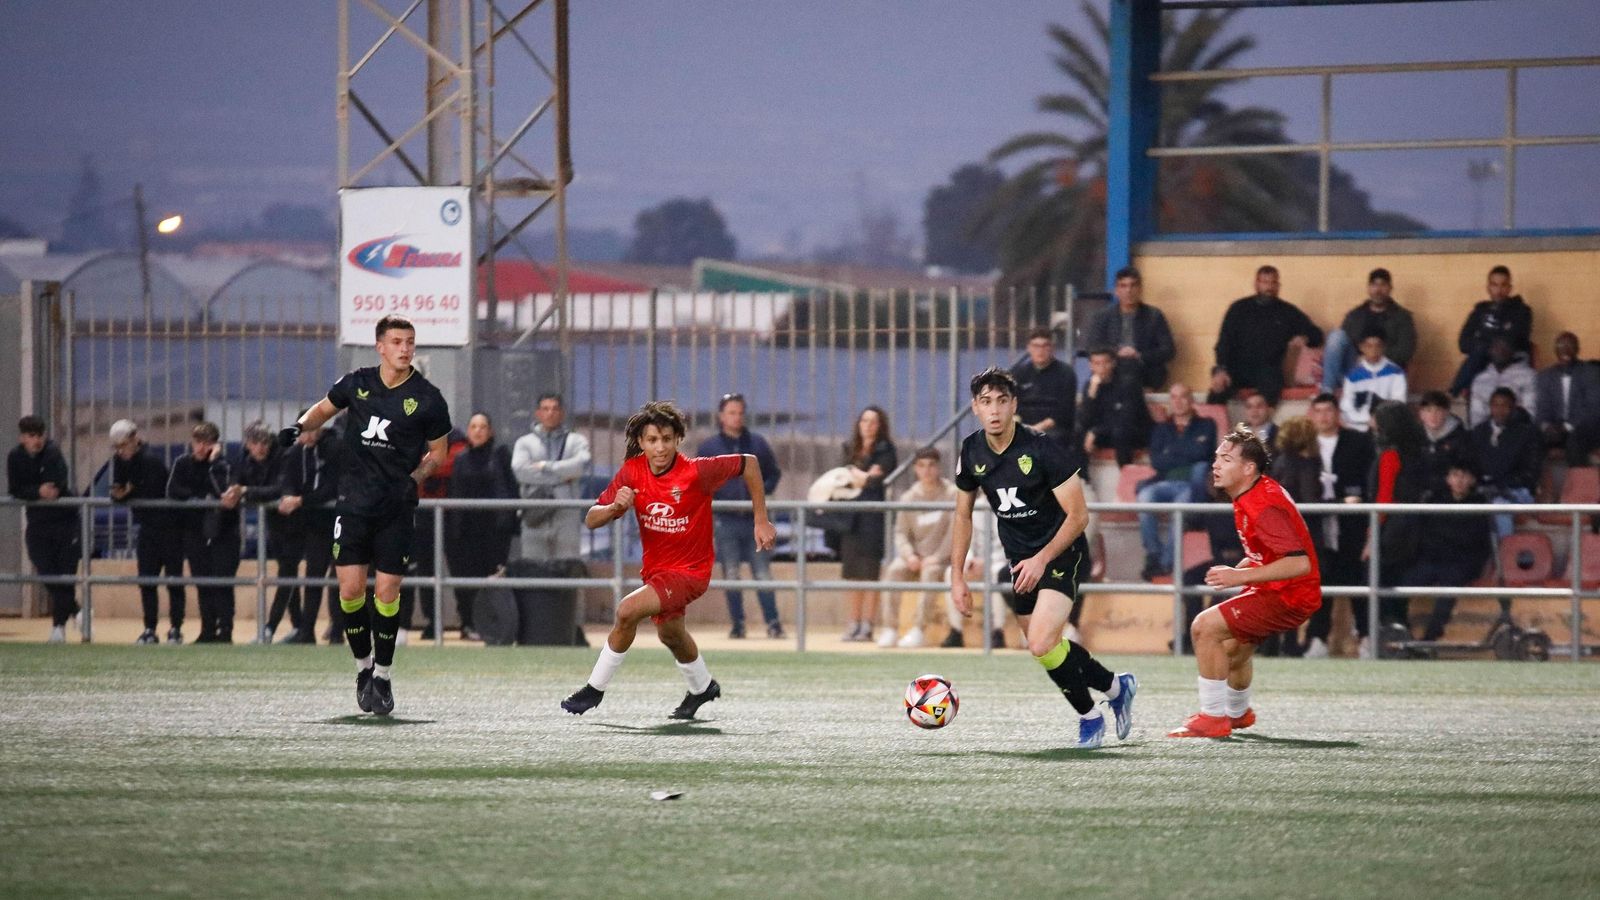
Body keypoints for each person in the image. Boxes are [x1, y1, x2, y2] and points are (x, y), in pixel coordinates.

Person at [950, 367, 1137, 749]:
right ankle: (1116, 687)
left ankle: (1089, 718)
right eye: (986, 402)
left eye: (1002, 400)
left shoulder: (1042, 447)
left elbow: (1079, 516)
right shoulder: (971, 451)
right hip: (1021, 561)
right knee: (1048, 649)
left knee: (1039, 643)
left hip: (1062, 552)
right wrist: (957, 576)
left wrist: (1041, 560)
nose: (995, 410)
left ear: (1014, 404)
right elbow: (961, 515)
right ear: (975, 408)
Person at [278, 314, 452, 716]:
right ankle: (362, 668)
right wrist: (297, 427)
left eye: (410, 341)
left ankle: (384, 676)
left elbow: (438, 453)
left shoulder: (428, 397)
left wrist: (416, 476)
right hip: (354, 504)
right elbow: (323, 409)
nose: (405, 348)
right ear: (380, 346)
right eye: (397, 341)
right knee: (351, 592)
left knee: (387, 593)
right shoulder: (356, 382)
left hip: (396, 508)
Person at [561, 400, 776, 719]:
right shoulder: (633, 471)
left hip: (691, 572)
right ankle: (703, 687)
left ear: (678, 439)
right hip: (657, 572)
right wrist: (614, 509)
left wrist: (761, 519)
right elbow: (591, 519)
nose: (660, 447)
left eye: (666, 439)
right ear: (642, 443)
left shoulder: (696, 472)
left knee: (627, 611)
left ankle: (594, 690)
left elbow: (750, 463)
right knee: (671, 635)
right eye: (652, 440)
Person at [1169, 426, 1321, 738]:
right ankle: (1238, 714)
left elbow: (1299, 562)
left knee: (1203, 627)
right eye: (1216, 458)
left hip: (1287, 594)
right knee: (1232, 651)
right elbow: (1277, 549)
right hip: (1289, 591)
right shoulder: (1255, 492)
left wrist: (1241, 576)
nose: (1215, 465)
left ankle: (1213, 717)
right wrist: (1247, 562)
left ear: (1248, 468)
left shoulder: (1260, 504)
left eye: (1225, 459)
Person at [696, 392, 784, 639]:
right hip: (725, 520)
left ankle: (773, 623)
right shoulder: (710, 447)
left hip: (755, 519)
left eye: (740, 413)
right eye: (732, 413)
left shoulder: (757, 444)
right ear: (721, 416)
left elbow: (774, 473)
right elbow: (699, 479)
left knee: (763, 573)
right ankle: (738, 624)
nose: (737, 417)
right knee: (731, 573)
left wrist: (760, 493)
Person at [1301, 394, 1374, 659]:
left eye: (1328, 410)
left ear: (1337, 413)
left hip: (1351, 523)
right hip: (1317, 526)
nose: (1323, 416)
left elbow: (1367, 483)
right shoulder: (1305, 444)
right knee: (1320, 580)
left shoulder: (1358, 441)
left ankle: (1366, 638)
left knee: (1357, 579)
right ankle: (1317, 638)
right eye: (1317, 411)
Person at [108, 419, 184, 645]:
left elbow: (145, 492)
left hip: (170, 529)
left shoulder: (151, 461)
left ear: (134, 439)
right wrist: (126, 491)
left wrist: (128, 491)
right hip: (148, 529)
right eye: (117, 447)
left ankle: (175, 628)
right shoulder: (120, 461)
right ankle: (149, 628)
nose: (121, 451)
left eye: (123, 445)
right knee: (147, 581)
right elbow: (118, 491)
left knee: (174, 581)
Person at [8, 415, 81, 643]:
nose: (37, 440)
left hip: (65, 523)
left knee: (64, 575)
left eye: (40, 435)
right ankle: (77, 611)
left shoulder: (52, 452)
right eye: (31, 436)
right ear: (22, 438)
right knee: (48, 573)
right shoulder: (15, 457)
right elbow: (16, 488)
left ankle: (58, 628)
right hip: (38, 524)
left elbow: (55, 486)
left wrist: (40, 490)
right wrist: (37, 491)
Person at [1402, 463, 1495, 641]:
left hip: (1462, 562)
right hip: (1434, 559)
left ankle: (1430, 639)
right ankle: (1399, 631)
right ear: (1447, 479)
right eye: (1455, 475)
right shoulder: (1434, 502)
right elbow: (1425, 535)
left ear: (1472, 480)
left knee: (1449, 586)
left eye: (1464, 475)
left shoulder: (1480, 505)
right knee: (1402, 585)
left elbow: (1476, 540)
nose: (1459, 480)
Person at [166, 421, 240, 644]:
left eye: (207, 443)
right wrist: (199, 499)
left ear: (215, 445)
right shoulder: (182, 463)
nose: (200, 447)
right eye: (198, 442)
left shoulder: (224, 464)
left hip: (223, 531)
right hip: (194, 531)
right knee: (202, 582)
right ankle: (207, 630)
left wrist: (214, 462)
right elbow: (172, 490)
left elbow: (223, 490)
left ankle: (225, 631)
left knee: (222, 582)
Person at [1363, 401, 1430, 648]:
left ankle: (1388, 638)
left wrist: (1372, 537)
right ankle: (1401, 638)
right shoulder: (1418, 452)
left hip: (1393, 531)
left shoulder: (1391, 455)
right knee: (1397, 587)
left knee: (1379, 583)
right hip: (1413, 528)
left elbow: (1384, 498)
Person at [445, 413, 517, 641]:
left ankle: (492, 625)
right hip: (465, 532)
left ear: (491, 431)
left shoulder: (500, 455)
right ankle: (467, 624)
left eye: (483, 426)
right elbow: (455, 492)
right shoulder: (460, 459)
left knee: (492, 581)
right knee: (466, 581)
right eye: (474, 426)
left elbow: (509, 490)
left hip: (494, 532)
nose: (478, 431)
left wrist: (508, 524)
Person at [877, 447, 957, 649]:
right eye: (921, 466)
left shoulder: (952, 494)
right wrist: (909, 555)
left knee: (930, 573)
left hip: (941, 558)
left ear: (938, 467)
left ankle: (918, 630)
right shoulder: (909, 497)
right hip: (915, 556)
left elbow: (956, 531)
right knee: (893, 570)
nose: (927, 470)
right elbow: (900, 532)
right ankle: (890, 629)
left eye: (931, 465)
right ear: (915, 469)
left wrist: (938, 557)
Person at [1136, 383, 1217, 579]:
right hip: (1164, 483)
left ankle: (1165, 563)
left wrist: (1172, 452)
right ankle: (1154, 554)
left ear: (1192, 400)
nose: (1178, 402)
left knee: (1179, 510)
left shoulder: (1207, 424)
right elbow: (1157, 461)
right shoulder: (1162, 429)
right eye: (1173, 397)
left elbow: (1203, 454)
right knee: (1145, 496)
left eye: (1183, 396)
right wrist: (1186, 452)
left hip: (1192, 485)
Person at [1210, 265, 1323, 405]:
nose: (1269, 287)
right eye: (1265, 282)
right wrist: (1221, 369)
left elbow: (1317, 335)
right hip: (1237, 368)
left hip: (1269, 371)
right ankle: (1214, 427)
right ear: (1256, 284)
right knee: (1217, 390)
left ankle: (1251, 427)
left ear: (1278, 285)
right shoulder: (1238, 309)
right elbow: (1224, 342)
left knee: (1268, 389)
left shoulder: (1288, 312)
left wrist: (1305, 338)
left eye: (1273, 283)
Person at [277, 416, 341, 644]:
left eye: (311, 430)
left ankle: (337, 632)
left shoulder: (334, 449)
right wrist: (288, 496)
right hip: (315, 526)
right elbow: (287, 478)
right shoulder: (297, 453)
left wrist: (301, 500)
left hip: (339, 523)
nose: (307, 436)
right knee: (313, 577)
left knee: (339, 580)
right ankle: (307, 631)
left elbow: (331, 488)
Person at [839, 406, 897, 642]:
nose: (868, 426)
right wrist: (864, 475)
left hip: (873, 517)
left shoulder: (886, 449)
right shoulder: (849, 448)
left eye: (873, 422)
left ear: (880, 426)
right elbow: (842, 478)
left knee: (870, 573)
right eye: (864, 421)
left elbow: (877, 480)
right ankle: (853, 621)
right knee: (853, 573)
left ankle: (868, 624)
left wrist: (860, 476)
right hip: (851, 517)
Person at [512, 393, 592, 563]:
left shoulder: (575, 440)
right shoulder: (524, 443)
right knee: (533, 566)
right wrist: (563, 476)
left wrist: (547, 467)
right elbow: (520, 470)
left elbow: (583, 465)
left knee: (568, 565)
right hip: (535, 511)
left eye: (555, 409)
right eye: (545, 409)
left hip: (567, 512)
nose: (550, 413)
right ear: (538, 413)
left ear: (562, 413)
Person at [233, 421, 291, 643]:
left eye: (265, 441)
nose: (262, 447)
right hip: (276, 524)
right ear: (248, 443)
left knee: (288, 575)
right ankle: (296, 625)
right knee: (287, 574)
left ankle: (270, 628)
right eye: (256, 442)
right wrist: (234, 491)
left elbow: (278, 489)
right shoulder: (244, 459)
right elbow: (235, 484)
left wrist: (246, 491)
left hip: (295, 524)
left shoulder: (282, 455)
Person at [1320, 268, 1418, 392]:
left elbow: (1405, 351)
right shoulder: (1355, 315)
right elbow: (1344, 348)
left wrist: (1372, 355)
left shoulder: (1402, 317)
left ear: (1390, 288)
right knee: (1336, 336)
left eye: (1382, 285)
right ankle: (1327, 393)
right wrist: (1361, 360)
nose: (1378, 290)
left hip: (1385, 372)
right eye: (1374, 285)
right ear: (1368, 288)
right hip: (1356, 369)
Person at [1083, 266, 1176, 390]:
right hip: (1111, 372)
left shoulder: (1154, 315)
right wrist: (1116, 353)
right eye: (1123, 286)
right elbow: (1091, 347)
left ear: (1140, 289)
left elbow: (1169, 350)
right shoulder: (1102, 316)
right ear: (1116, 290)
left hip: (1145, 374)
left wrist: (1139, 355)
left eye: (1133, 285)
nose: (1128, 290)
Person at [1469, 387, 1542, 540]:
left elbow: (1530, 473)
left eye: (1505, 405)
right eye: (1495, 405)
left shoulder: (1528, 433)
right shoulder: (1479, 432)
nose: (1500, 410)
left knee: (1499, 506)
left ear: (1513, 408)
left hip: (1517, 490)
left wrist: (1500, 485)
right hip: (1483, 489)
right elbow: (1472, 465)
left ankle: (1504, 553)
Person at [1451, 265, 1532, 396]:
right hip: (1482, 362)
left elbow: (1514, 340)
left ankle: (1455, 391)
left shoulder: (1522, 311)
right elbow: (1463, 343)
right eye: (1495, 285)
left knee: (1482, 348)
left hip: (1511, 361)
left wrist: (1484, 341)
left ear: (1509, 288)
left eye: (1503, 285)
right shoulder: (1480, 311)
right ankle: (1456, 393)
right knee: (1479, 350)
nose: (1499, 290)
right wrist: (1486, 344)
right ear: (1488, 288)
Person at [1534, 332, 1600, 465]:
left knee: (1574, 441)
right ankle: (1533, 484)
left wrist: (1566, 427)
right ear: (1555, 350)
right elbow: (1541, 408)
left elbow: (1593, 409)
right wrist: (1546, 427)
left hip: (1585, 428)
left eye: (1570, 345)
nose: (1565, 349)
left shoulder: (1591, 372)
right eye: (1561, 345)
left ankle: (1579, 483)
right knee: (1528, 438)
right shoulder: (1545, 376)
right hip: (1555, 428)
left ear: (1578, 349)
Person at [1078, 347, 1151, 466]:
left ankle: (1125, 477)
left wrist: (1096, 431)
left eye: (1105, 362)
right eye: (1097, 363)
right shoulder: (1090, 385)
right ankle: (1084, 480)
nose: (1102, 368)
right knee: (1077, 433)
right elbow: (1085, 420)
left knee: (1120, 432)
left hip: (1134, 432)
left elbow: (1127, 418)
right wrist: (1091, 395)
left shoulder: (1128, 383)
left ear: (1113, 363)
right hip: (1105, 432)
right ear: (1090, 366)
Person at [1338, 327, 1408, 432]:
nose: (1373, 351)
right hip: (1359, 428)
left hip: (1386, 427)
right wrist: (1367, 420)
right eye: (1369, 346)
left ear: (1384, 347)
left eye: (1378, 346)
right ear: (1361, 347)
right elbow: (1347, 407)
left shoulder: (1396, 373)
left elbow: (1399, 402)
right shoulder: (1352, 376)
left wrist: (1380, 420)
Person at [1469, 336, 1536, 427]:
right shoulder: (1480, 379)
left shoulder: (1528, 375)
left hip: (1519, 431)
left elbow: (1531, 412)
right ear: (1489, 350)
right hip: (1487, 432)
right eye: (1496, 347)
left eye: (1505, 347)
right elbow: (1476, 416)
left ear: (1513, 351)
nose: (1500, 351)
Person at [1418, 390, 1470, 498]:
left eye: (1438, 410)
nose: (1433, 415)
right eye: (1428, 410)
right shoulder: (1415, 437)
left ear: (1446, 412)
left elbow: (1466, 469)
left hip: (1450, 497)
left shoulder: (1460, 437)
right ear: (1421, 414)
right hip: (1420, 495)